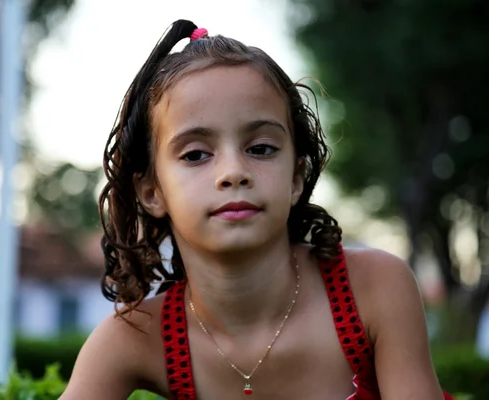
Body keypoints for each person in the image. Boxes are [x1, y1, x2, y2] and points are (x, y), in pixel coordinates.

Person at [60, 20, 453, 399]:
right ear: (151, 192)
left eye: (261, 148)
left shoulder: (374, 289)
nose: (233, 172)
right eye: (196, 154)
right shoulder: (136, 339)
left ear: (296, 177)